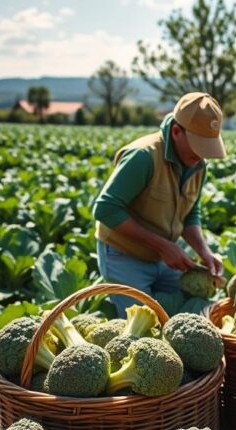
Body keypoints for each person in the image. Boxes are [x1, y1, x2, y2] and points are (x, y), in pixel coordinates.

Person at [92, 92, 225, 317]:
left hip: (165, 258)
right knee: (142, 329)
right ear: (176, 132)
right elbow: (105, 209)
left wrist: (203, 251)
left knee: (192, 317)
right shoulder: (143, 156)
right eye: (198, 146)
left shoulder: (198, 164)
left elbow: (190, 213)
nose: (202, 156)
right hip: (124, 256)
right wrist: (164, 246)